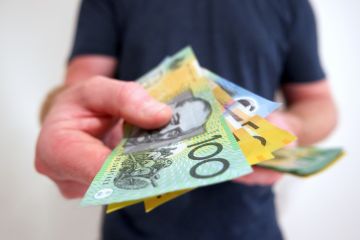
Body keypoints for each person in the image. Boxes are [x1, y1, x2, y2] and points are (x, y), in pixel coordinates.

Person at [35, 0, 337, 239]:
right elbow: (78, 92)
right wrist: (64, 115)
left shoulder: (289, 3)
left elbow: (319, 103)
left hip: (253, 228)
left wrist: (291, 126)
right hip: (133, 230)